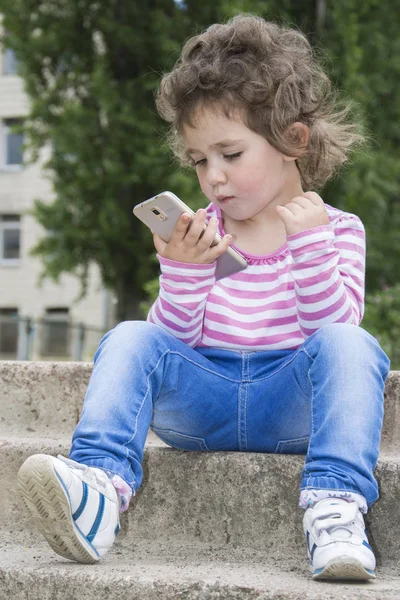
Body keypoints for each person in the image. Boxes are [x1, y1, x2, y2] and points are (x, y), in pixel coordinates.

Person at [17, 14, 390, 581]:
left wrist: (310, 249)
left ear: (293, 138)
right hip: (202, 404)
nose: (213, 176)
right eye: (199, 160)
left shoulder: (337, 228)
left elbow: (333, 330)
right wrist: (183, 271)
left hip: (292, 409)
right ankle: (98, 489)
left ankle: (335, 506)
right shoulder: (198, 231)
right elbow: (173, 342)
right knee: (132, 335)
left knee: (353, 344)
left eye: (230, 154)